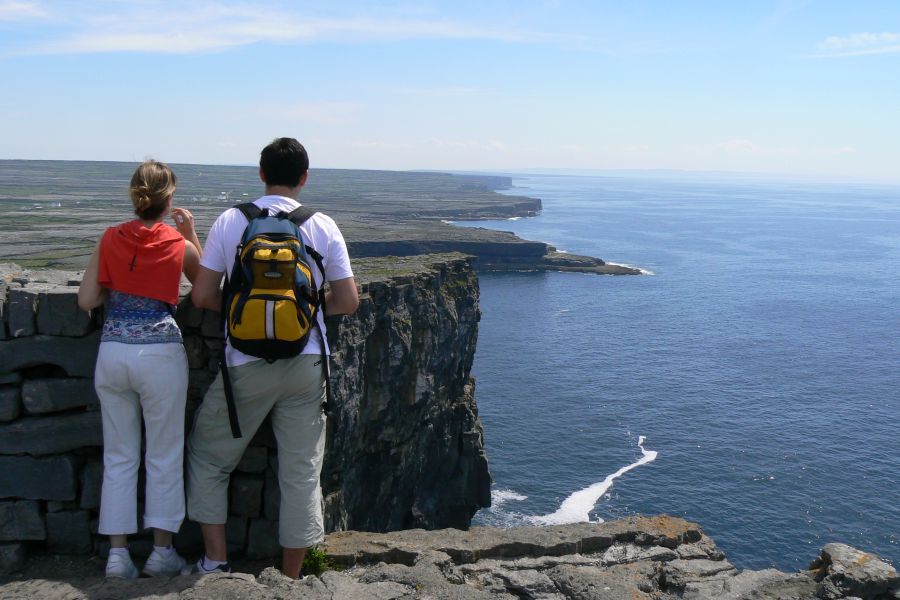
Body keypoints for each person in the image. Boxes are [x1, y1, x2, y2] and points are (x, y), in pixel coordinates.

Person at [184, 137, 359, 579]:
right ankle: (293, 578)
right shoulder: (322, 225)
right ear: (304, 177)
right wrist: (305, 310)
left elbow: (203, 296)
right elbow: (348, 301)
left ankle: (215, 563)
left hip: (244, 364)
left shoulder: (232, 220)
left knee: (209, 459)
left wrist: (247, 312)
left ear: (261, 173)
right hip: (306, 361)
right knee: (300, 474)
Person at [77, 159, 202, 579]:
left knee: (119, 456)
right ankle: (161, 552)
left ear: (134, 195)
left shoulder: (110, 237)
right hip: (160, 354)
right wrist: (191, 236)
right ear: (168, 201)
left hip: (113, 352)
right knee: (163, 455)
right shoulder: (176, 243)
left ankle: (117, 556)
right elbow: (204, 292)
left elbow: (87, 300)